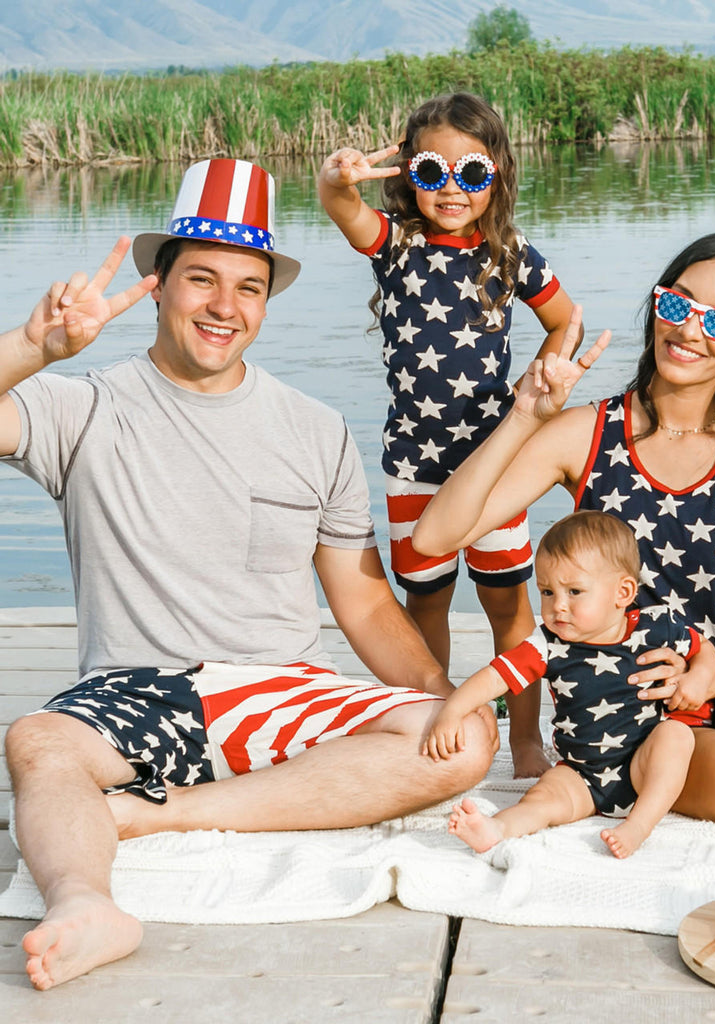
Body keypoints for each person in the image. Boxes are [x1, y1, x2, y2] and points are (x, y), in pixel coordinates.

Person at [0, 158, 497, 992]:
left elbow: (365, 597)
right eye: (201, 280)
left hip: (282, 690)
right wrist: (30, 347)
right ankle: (86, 904)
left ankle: (153, 815)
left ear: (268, 301)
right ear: (157, 286)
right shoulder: (81, 404)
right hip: (139, 685)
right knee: (37, 741)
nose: (225, 307)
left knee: (465, 740)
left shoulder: (313, 428)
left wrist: (440, 695)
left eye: (249, 288)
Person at [414, 231, 715, 841]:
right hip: (640, 704)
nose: (690, 330)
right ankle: (654, 778)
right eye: (678, 304)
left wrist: (712, 677)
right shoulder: (587, 433)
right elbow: (436, 536)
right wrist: (526, 416)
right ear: (657, 305)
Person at [318, 92, 579, 778]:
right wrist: (336, 179)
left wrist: (542, 379)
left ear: (497, 174)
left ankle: (525, 740)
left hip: (493, 467)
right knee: (422, 602)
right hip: (414, 464)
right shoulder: (396, 244)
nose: (453, 190)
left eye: (473, 173)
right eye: (433, 172)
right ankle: (426, 723)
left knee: (507, 607)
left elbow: (566, 320)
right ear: (408, 173)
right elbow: (343, 209)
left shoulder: (511, 254)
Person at [424, 511, 715, 858]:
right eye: (547, 592)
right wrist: (453, 711)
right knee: (543, 796)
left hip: (642, 764)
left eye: (574, 591)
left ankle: (640, 823)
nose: (557, 606)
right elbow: (495, 676)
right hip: (582, 775)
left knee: (675, 737)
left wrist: (698, 676)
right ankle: (497, 828)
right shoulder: (548, 645)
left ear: (622, 592)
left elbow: (706, 649)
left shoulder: (656, 627)